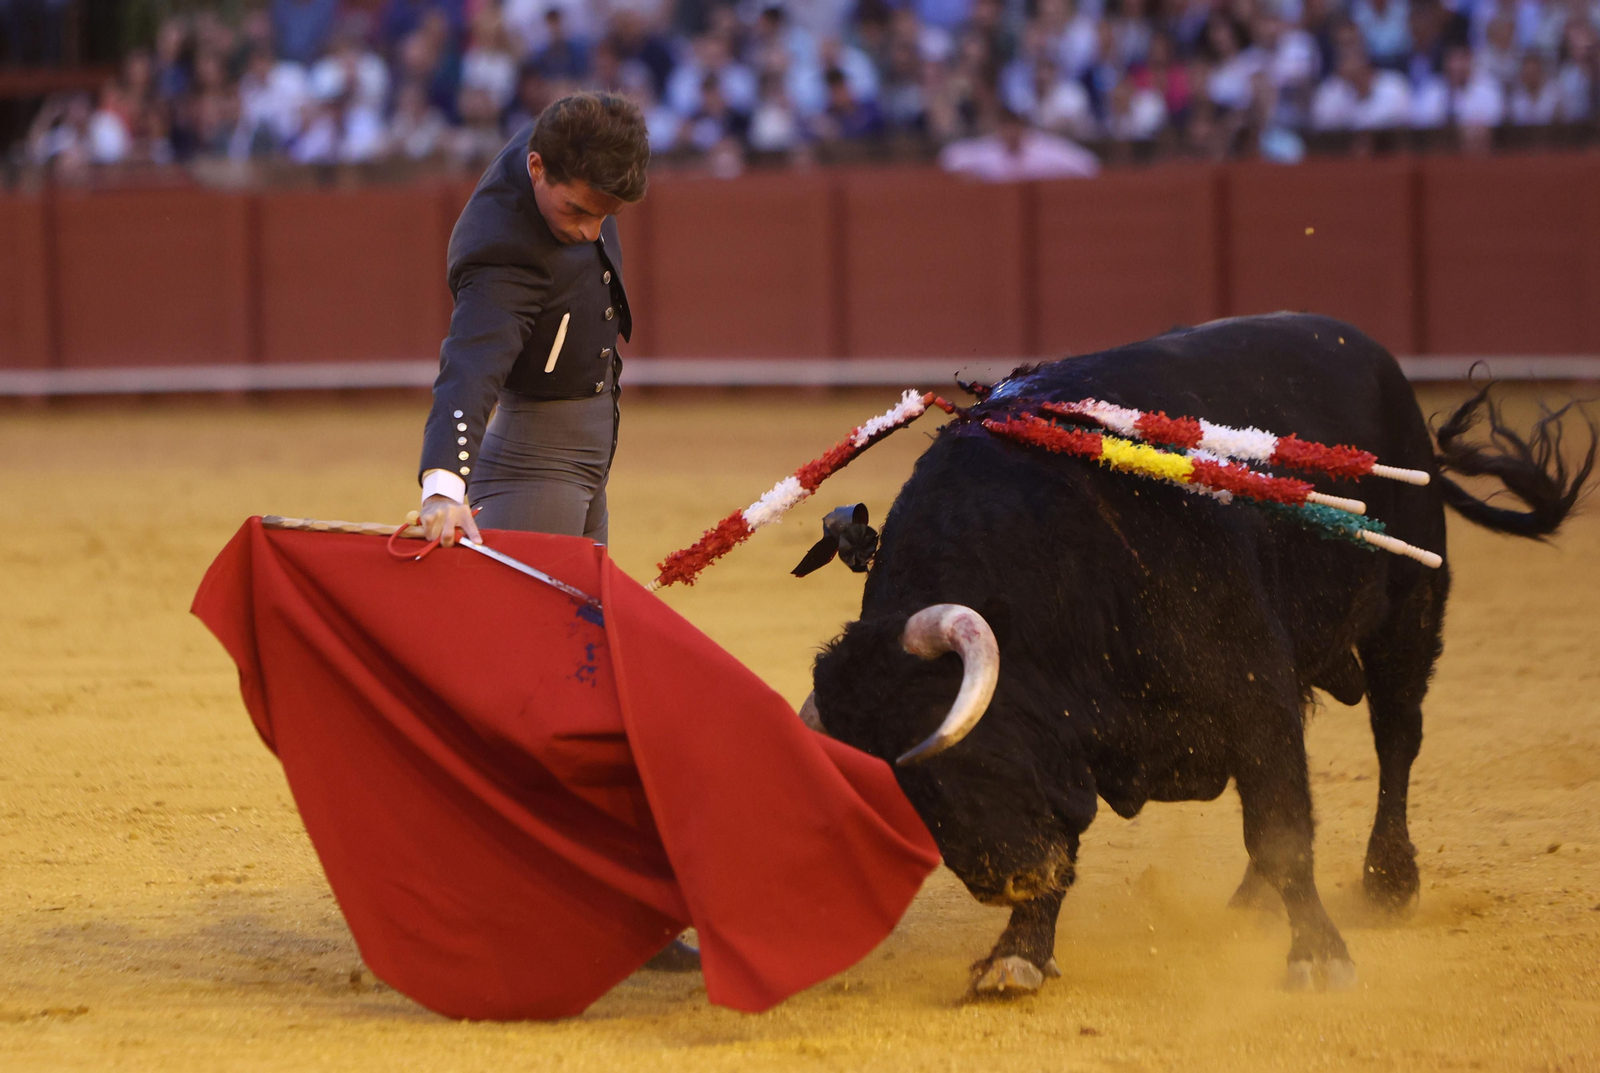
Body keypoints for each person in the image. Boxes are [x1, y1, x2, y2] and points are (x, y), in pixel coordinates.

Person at [416, 93, 648, 550]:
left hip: (587, 455)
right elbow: (470, 367)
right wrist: (442, 487)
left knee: (583, 620)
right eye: (578, 211)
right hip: (531, 469)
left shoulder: (577, 139)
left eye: (607, 215)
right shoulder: (502, 250)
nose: (590, 232)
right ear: (537, 168)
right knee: (530, 621)